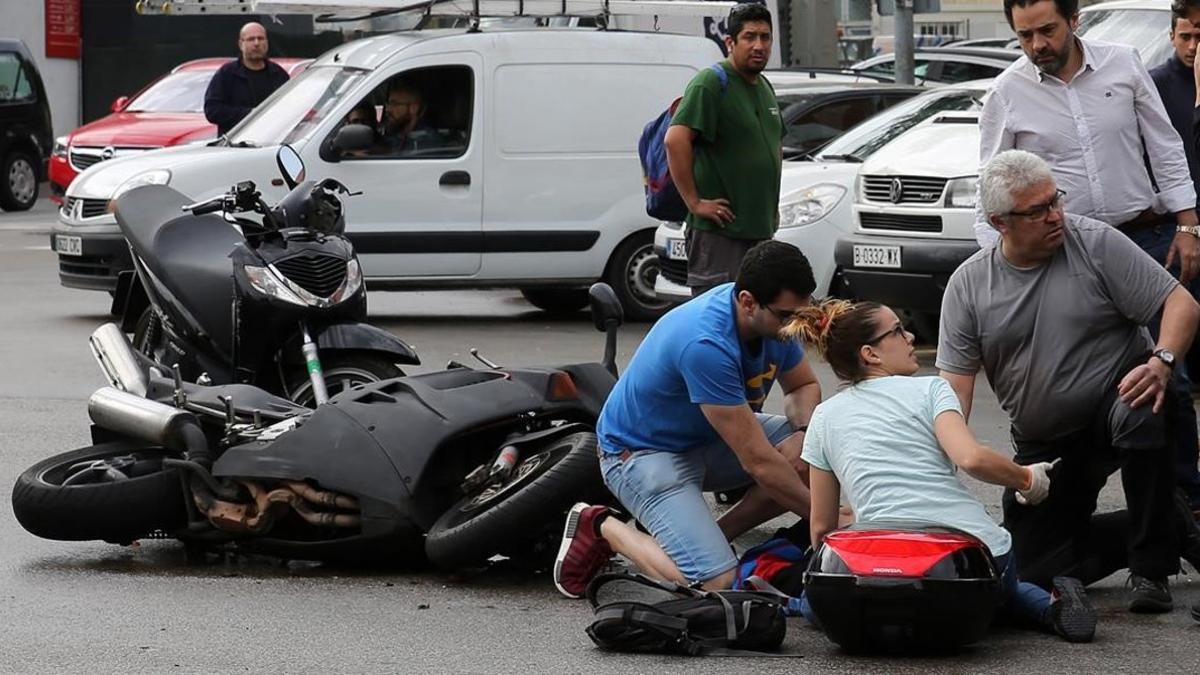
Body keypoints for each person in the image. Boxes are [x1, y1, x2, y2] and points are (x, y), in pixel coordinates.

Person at [939, 150, 1200, 614]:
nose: (1055, 215)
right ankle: (1169, 522)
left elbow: (1181, 303)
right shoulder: (969, 285)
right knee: (1035, 568)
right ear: (1000, 223)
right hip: (1045, 440)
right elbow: (953, 392)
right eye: (1037, 210)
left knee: (1146, 404)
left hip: (1114, 401)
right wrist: (942, 458)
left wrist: (1161, 360)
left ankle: (1150, 567)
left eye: (1054, 200)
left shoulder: (1094, 242)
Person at [790, 299, 1096, 643]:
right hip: (970, 559)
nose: (910, 337)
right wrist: (1028, 478)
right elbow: (971, 459)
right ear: (870, 354)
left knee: (815, 605)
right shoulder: (931, 388)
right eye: (897, 331)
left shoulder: (824, 416)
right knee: (1002, 590)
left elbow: (821, 528)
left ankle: (807, 606)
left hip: (882, 570)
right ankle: (1051, 607)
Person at [552, 241, 821, 598]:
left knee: (814, 447)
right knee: (716, 584)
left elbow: (803, 385)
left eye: (801, 316)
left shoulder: (772, 318)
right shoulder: (706, 343)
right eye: (787, 317)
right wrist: (827, 523)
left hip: (708, 439)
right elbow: (757, 461)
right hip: (642, 454)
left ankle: (714, 538)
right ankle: (603, 527)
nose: (794, 329)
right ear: (747, 302)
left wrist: (803, 431)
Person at [977, 0, 1200, 278]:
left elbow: (1164, 146)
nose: (1037, 45)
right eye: (1025, 35)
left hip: (1143, 239)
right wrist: (996, 265)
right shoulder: (1006, 91)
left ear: (1074, 21)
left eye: (1048, 30)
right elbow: (991, 185)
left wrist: (1188, 226)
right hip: (1063, 252)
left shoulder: (1123, 62)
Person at [665, 2, 783, 296]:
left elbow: (774, 145)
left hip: (758, 232)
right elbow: (675, 140)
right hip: (721, 234)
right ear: (730, 42)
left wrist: (772, 207)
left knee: (753, 322)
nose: (759, 45)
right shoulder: (712, 83)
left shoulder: (764, 86)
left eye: (765, 37)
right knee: (720, 318)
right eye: (750, 37)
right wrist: (695, 203)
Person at [1151, 0, 1200, 517]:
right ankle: (1186, 487)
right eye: (1186, 36)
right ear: (1171, 35)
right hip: (1175, 235)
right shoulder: (1157, 85)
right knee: (1174, 369)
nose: (1193, 47)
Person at [203, 22, 289, 137]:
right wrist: (250, 114)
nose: (257, 43)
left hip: (271, 143)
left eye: (261, 38)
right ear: (240, 44)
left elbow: (291, 109)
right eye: (251, 39)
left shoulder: (278, 74)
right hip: (236, 146)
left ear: (267, 42)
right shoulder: (227, 74)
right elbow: (212, 111)